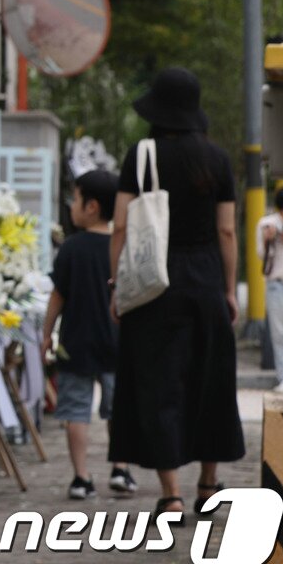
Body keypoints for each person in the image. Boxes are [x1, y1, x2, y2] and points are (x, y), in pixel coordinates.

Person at [109, 67, 245, 517]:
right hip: (205, 278)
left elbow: (123, 226)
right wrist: (228, 290)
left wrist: (117, 285)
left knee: (158, 383)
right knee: (210, 381)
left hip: (153, 285)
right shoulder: (217, 160)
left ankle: (170, 496)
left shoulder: (140, 155)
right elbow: (227, 231)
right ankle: (208, 486)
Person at [41, 170, 137, 499]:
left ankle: (81, 477)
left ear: (92, 206)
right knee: (118, 409)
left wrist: (46, 334)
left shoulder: (70, 248)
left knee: (75, 412)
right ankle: (121, 469)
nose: (72, 205)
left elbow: (57, 296)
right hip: (118, 341)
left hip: (76, 343)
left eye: (75, 199)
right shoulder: (121, 246)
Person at [258, 184, 283, 393]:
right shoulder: (266, 223)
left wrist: (282, 234)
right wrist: (269, 238)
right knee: (279, 333)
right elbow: (261, 255)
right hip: (276, 284)